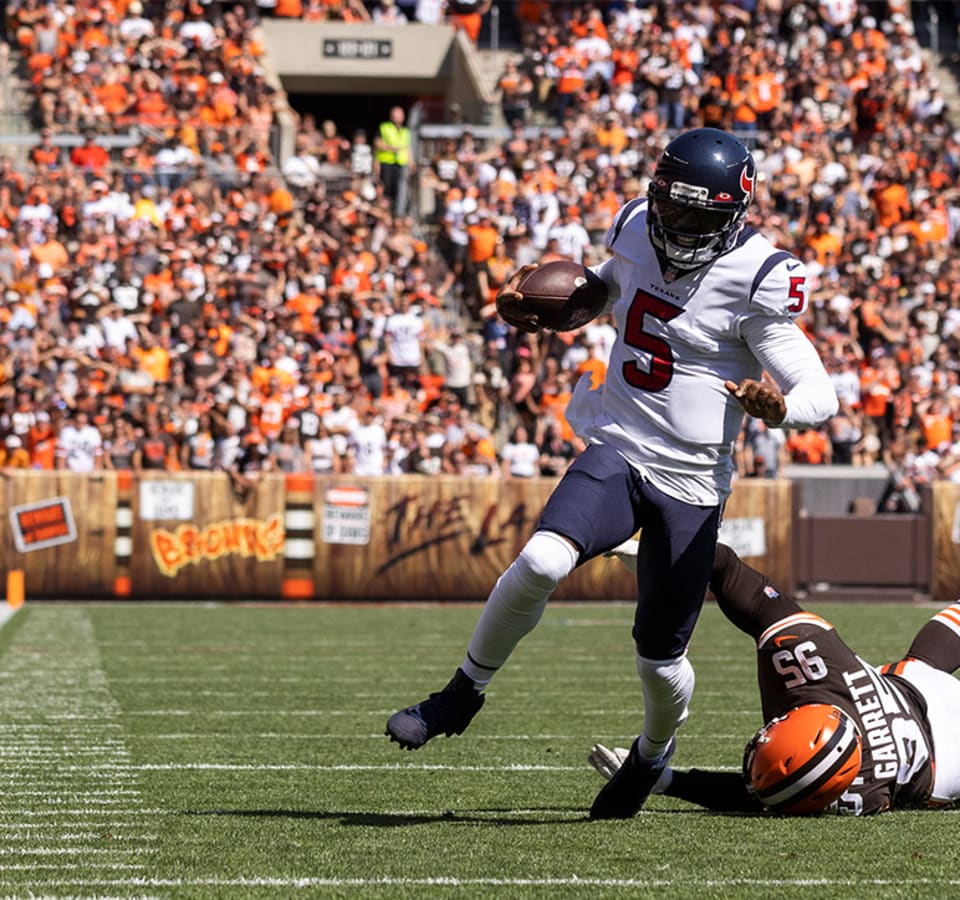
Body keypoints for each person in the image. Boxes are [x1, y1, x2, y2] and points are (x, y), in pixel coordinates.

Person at [384, 128, 839, 819]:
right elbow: (613, 294)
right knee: (540, 559)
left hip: (691, 483)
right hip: (621, 444)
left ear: (733, 216)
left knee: (659, 663)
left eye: (698, 218)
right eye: (673, 211)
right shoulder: (633, 226)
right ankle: (461, 693)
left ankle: (652, 754)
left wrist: (781, 410)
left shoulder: (757, 274)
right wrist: (557, 309)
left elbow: (820, 391)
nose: (680, 228)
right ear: (655, 199)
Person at [589, 543, 960, 816]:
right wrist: (674, 557)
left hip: (909, 687)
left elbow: (729, 573)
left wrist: (666, 557)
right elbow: (730, 572)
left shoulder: (849, 787)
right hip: (944, 750)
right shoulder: (855, 787)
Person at [374, 106, 411, 217]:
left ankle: (397, 214)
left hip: (401, 164)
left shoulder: (406, 131)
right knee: (386, 190)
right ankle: (386, 214)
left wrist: (411, 162)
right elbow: (377, 143)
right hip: (387, 163)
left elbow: (408, 148)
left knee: (399, 191)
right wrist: (393, 148)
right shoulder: (384, 127)